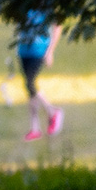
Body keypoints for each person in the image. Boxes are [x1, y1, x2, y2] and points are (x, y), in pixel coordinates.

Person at [16, 10, 62, 141]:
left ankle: (52, 111)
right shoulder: (22, 3)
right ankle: (35, 129)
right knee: (29, 89)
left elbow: (57, 26)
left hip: (39, 50)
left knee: (30, 83)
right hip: (24, 50)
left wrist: (50, 51)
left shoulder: (45, 3)